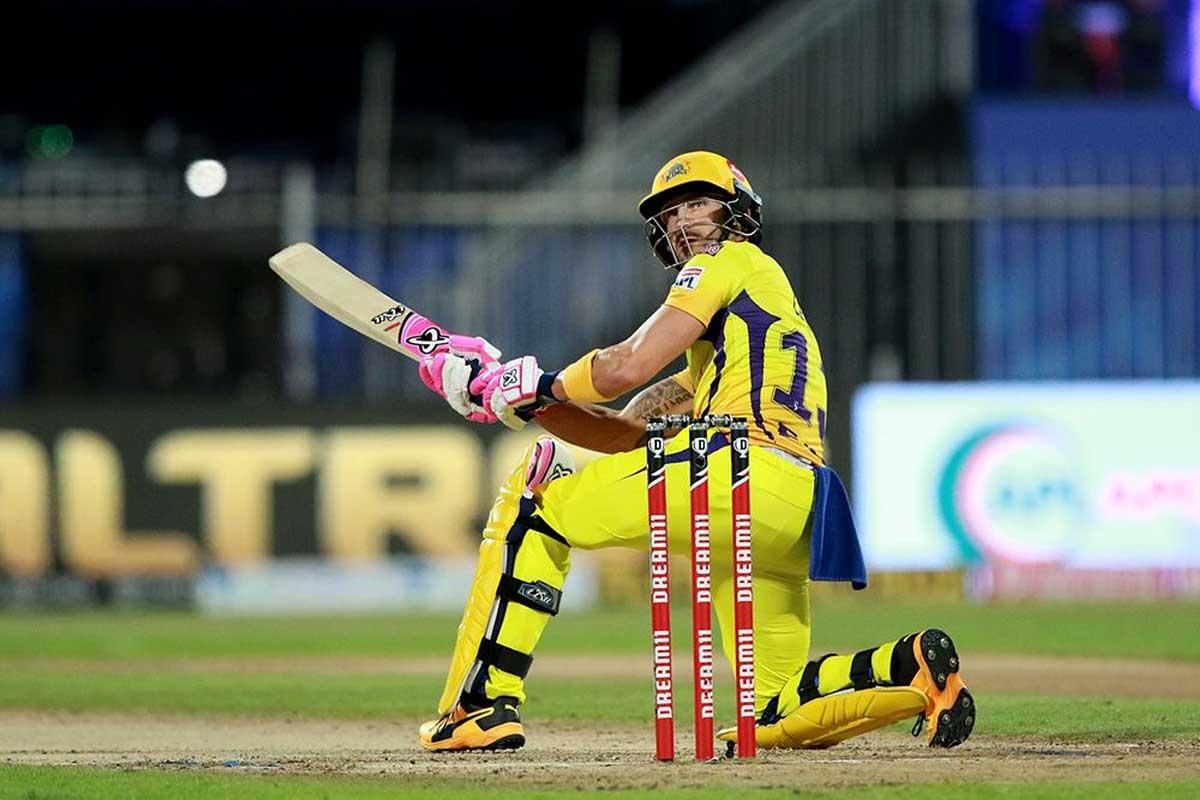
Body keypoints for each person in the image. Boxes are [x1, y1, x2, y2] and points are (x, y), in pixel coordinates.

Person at [415, 151, 975, 753]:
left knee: (535, 509)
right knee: (772, 711)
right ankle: (910, 665)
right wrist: (519, 404)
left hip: (738, 471)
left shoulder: (723, 262)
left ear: (737, 209)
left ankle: (480, 704)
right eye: (671, 212)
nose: (682, 221)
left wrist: (539, 380)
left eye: (698, 203)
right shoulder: (741, 337)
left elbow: (624, 366)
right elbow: (625, 436)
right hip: (793, 508)